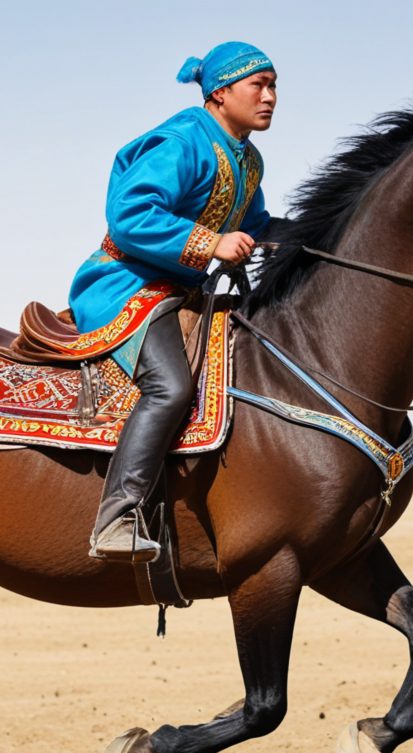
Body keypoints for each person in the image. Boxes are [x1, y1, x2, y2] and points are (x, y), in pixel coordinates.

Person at [71, 41, 276, 562]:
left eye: (274, 87)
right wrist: (210, 243)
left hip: (181, 292)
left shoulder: (247, 159)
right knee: (171, 385)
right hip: (125, 285)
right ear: (221, 92)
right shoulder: (183, 140)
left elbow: (255, 228)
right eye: (259, 85)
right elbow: (130, 214)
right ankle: (116, 518)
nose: (270, 97)